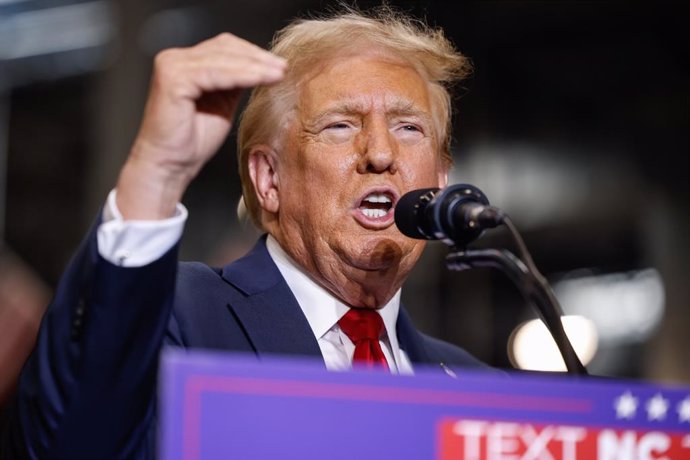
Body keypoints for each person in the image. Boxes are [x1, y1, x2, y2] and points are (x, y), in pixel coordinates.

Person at [3, 6, 491, 459]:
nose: (381, 153)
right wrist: (157, 173)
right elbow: (72, 441)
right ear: (269, 180)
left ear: (441, 181)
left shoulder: (478, 390)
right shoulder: (174, 318)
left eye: (409, 128)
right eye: (340, 125)